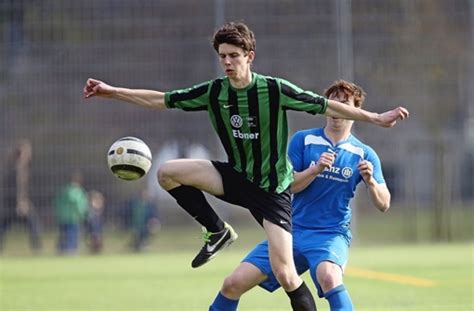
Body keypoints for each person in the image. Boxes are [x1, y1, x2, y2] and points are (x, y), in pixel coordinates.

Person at [83, 21, 408, 310]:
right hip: (236, 177)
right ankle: (217, 230)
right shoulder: (214, 92)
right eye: (222, 56)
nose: (227, 61)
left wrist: (376, 118)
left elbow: (325, 104)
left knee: (285, 273)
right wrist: (111, 92)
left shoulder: (274, 89)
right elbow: (162, 99)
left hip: (272, 191)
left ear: (249, 56)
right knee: (167, 172)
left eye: (233, 55)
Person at [209, 80, 391, 311]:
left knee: (329, 278)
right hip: (289, 231)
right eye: (333, 103)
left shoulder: (364, 153)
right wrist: (315, 170)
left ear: (355, 109)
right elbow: (287, 186)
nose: (337, 109)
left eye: (344, 103)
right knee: (233, 283)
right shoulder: (304, 140)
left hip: (329, 235)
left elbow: (384, 204)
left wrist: (372, 182)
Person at [0, 138, 42, 253]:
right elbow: (18, 187)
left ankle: (36, 248)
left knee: (4, 227)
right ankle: (37, 249)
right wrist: (21, 202)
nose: (30, 154)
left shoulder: (15, 167)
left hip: (11, 204)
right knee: (34, 225)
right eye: (28, 151)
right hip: (18, 204)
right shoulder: (18, 169)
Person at [53, 171, 88, 254]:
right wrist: (83, 214)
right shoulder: (76, 191)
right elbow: (78, 204)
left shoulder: (64, 190)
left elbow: (56, 202)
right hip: (73, 218)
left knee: (63, 235)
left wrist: (58, 212)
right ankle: (70, 250)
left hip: (62, 217)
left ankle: (61, 249)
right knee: (72, 235)